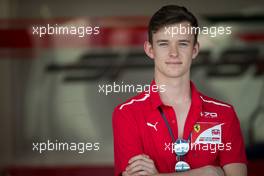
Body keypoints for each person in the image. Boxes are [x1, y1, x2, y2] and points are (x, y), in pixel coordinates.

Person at [112, 5, 247, 176]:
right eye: (163, 44)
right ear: (149, 50)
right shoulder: (127, 114)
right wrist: (208, 172)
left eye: (182, 43)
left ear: (195, 50)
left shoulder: (224, 114)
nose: (173, 53)